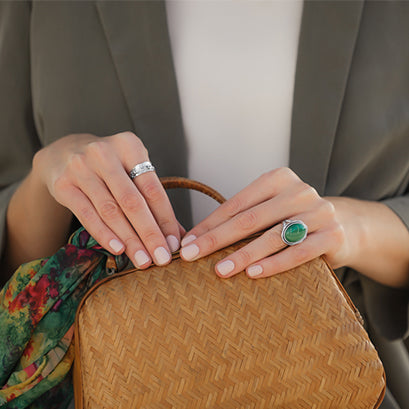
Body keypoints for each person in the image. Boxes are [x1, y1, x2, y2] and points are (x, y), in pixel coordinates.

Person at [0, 1, 408, 408]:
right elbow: (14, 275)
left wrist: (356, 228)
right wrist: (47, 175)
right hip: (112, 384)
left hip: (334, 378)